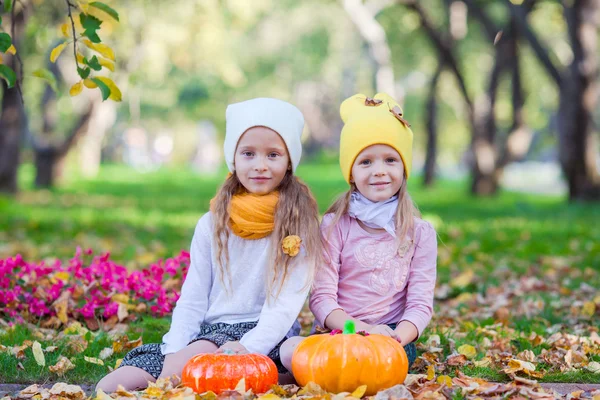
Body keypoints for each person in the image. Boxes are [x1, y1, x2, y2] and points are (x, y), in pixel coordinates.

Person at [97, 97, 321, 392]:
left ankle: (253, 378)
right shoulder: (212, 223)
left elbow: (283, 307)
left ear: (289, 161)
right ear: (234, 158)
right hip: (212, 334)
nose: (260, 166)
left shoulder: (298, 225)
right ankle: (222, 380)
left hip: (269, 336)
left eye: (273, 155)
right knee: (110, 384)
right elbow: (193, 296)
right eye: (249, 154)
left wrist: (246, 348)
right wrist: (176, 349)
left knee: (210, 375)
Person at [280, 93, 437, 373]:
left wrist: (397, 335)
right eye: (366, 162)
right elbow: (322, 298)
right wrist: (361, 331)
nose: (379, 171)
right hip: (342, 329)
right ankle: (335, 371)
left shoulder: (421, 233)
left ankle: (337, 372)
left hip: (390, 337)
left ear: (404, 168)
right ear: (351, 171)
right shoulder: (334, 225)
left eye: (391, 160)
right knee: (290, 349)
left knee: (373, 362)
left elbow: (420, 304)